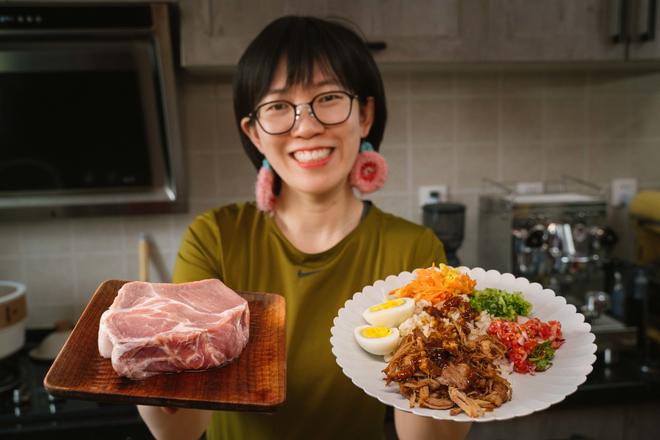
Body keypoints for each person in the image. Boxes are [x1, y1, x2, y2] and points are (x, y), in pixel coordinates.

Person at [138, 15, 471, 440]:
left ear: (365, 115)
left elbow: (422, 437)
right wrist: (143, 357)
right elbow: (180, 429)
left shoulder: (411, 251)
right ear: (254, 133)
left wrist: (453, 361)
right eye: (278, 106)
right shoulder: (216, 239)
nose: (307, 124)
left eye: (328, 97)